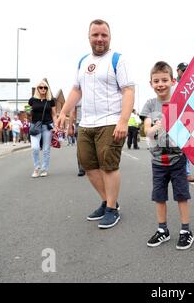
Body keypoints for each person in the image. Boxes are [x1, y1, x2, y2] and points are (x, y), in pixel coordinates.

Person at [56, 19, 135, 229]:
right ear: (89, 37)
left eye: (104, 35)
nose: (100, 39)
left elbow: (128, 90)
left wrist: (123, 121)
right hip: (86, 124)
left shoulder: (118, 60)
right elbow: (76, 90)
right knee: (89, 165)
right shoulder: (83, 61)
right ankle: (109, 202)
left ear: (110, 37)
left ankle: (111, 209)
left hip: (110, 121)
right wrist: (63, 112)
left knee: (108, 166)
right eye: (95, 35)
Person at [141, 61, 194, 250]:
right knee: (159, 197)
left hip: (178, 159)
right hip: (157, 161)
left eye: (164, 80)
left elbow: (190, 126)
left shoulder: (179, 102)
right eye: (156, 81)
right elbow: (146, 130)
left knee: (181, 195)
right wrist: (156, 126)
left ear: (173, 81)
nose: (160, 84)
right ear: (151, 83)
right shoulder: (149, 104)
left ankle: (186, 230)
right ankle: (162, 230)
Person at [29, 78, 58, 178]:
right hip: (35, 126)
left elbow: (54, 115)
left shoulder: (51, 101)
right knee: (35, 148)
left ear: (47, 89)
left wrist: (56, 126)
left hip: (47, 126)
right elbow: (28, 111)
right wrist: (28, 112)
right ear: (37, 88)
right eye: (41, 87)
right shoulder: (32, 100)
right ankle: (36, 168)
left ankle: (44, 169)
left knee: (46, 149)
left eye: (45, 87)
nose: (43, 89)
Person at [176, 62, 194, 183]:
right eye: (183, 70)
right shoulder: (173, 84)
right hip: (174, 118)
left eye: (186, 70)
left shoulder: (192, 83)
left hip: (188, 118)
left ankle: (187, 172)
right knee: (173, 146)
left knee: (186, 146)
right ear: (178, 71)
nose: (185, 72)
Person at [68, 109, 85, 176]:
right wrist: (70, 127)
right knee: (81, 148)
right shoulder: (77, 98)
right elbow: (72, 112)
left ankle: (94, 166)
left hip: (96, 123)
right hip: (80, 124)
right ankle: (81, 168)